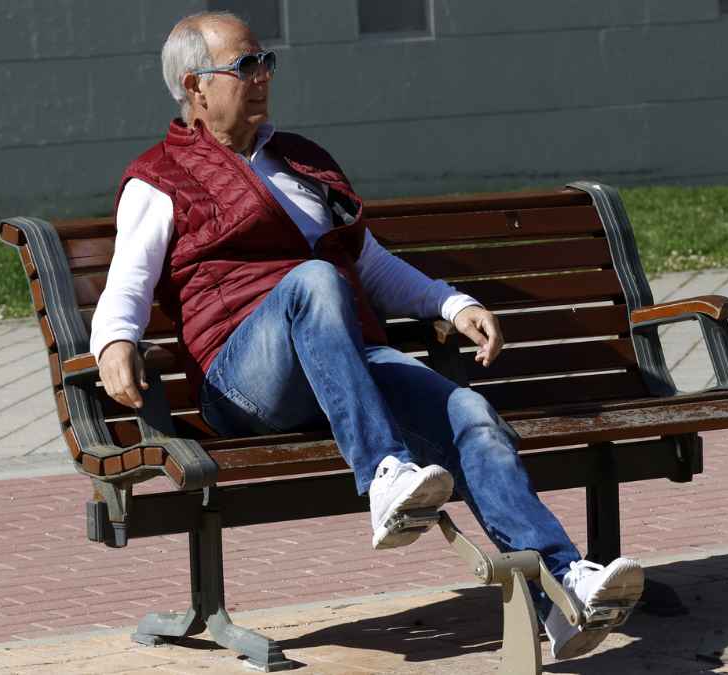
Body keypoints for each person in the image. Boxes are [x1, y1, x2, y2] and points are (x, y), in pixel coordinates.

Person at [91, 11, 643, 660]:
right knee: (314, 281)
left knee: (471, 414)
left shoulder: (301, 161)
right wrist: (115, 342)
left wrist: (450, 301)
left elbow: (371, 264)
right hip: (244, 380)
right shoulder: (160, 178)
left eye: (266, 62)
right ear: (195, 86)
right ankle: (384, 473)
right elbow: (127, 282)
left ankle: (564, 590)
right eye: (245, 66)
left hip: (344, 364)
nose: (263, 77)